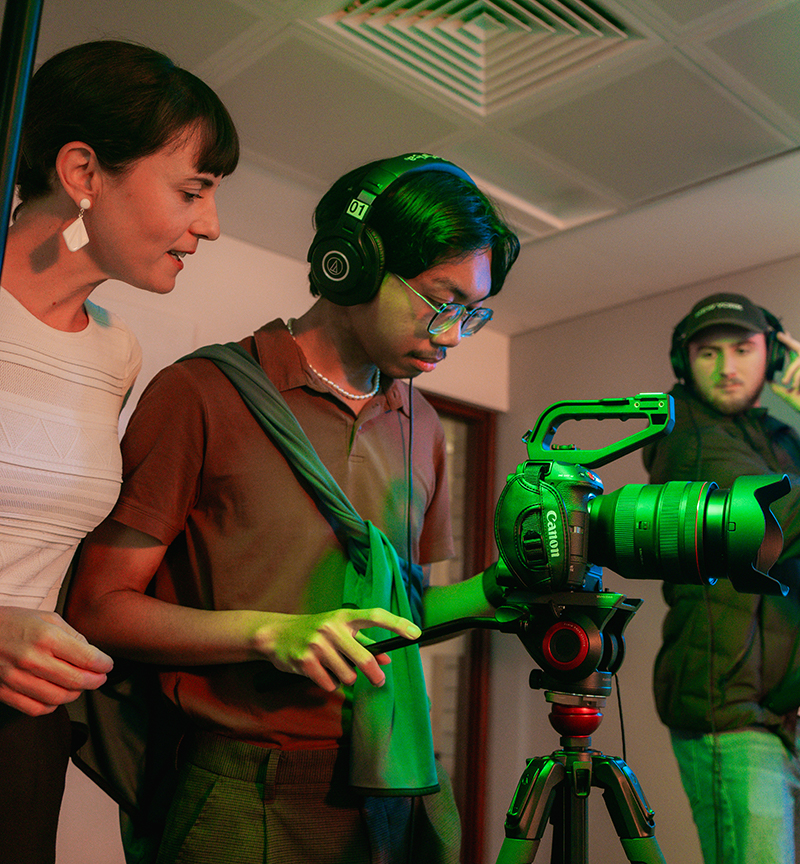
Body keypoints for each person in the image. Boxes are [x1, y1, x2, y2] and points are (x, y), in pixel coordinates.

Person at [65, 152, 520, 864]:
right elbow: (98, 607)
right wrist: (269, 634)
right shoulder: (200, 394)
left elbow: (400, 620)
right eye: (441, 301)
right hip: (241, 788)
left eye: (474, 311)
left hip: (391, 786)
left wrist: (500, 593)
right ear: (353, 266)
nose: (453, 334)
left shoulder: (424, 426)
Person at [0, 39, 239, 864]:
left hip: (21, 732)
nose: (208, 224)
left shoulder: (115, 354)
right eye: (193, 191)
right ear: (82, 171)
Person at [642, 291, 800, 864]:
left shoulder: (779, 438)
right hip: (732, 713)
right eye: (708, 352)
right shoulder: (685, 433)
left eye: (743, 349)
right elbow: (776, 518)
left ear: (773, 358)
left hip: (781, 708)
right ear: (686, 363)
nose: (727, 367)